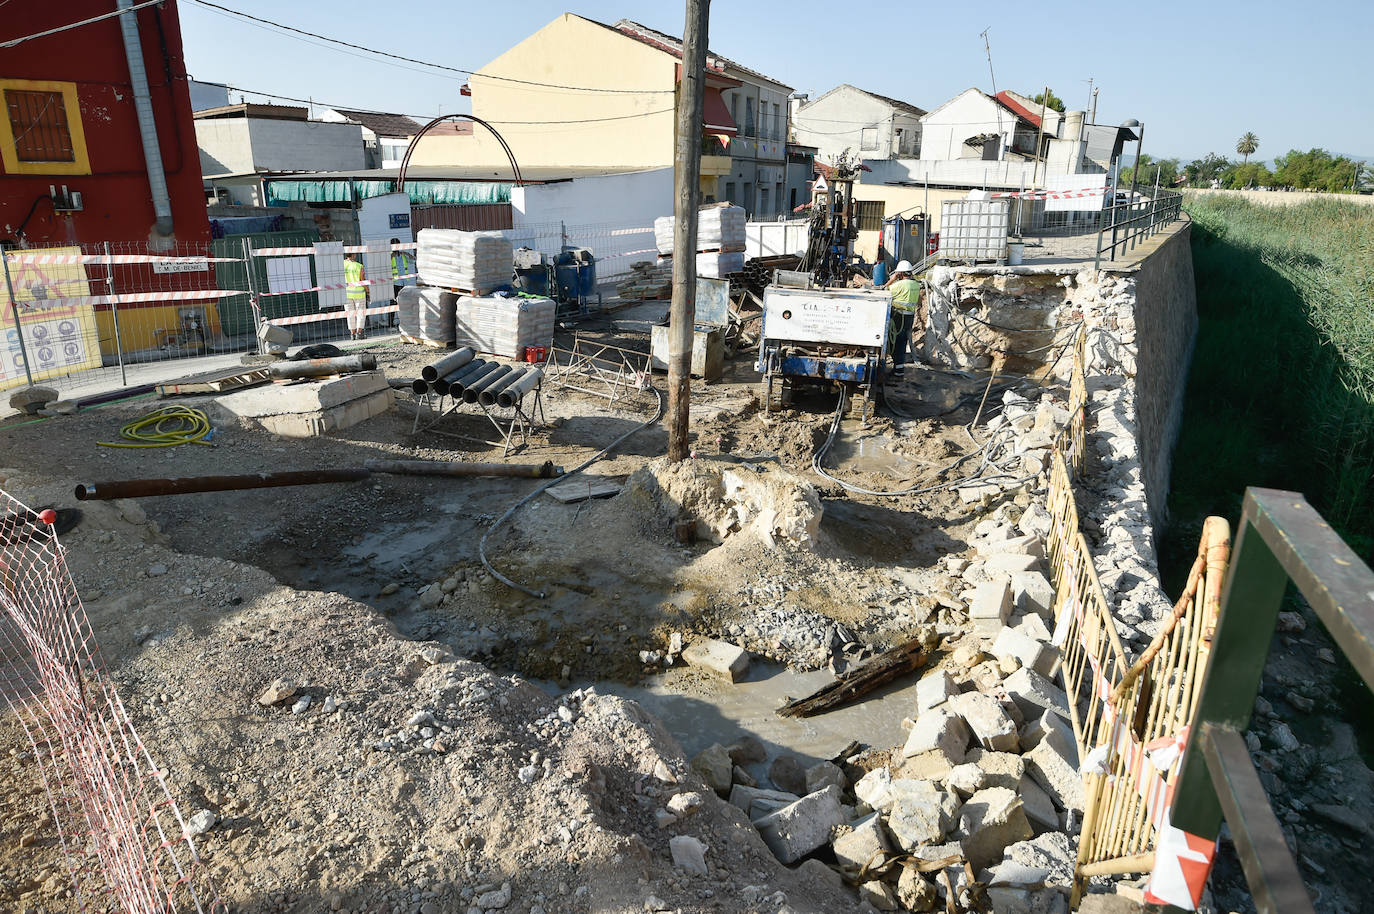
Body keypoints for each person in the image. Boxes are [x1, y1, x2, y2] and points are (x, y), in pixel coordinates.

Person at [881, 259, 921, 377]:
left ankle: (897, 371)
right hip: (909, 317)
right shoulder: (916, 284)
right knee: (903, 342)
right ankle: (899, 369)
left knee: (896, 343)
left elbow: (882, 291)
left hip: (899, 317)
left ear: (900, 273)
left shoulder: (898, 285)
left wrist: (892, 280)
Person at [343, 251, 368, 340]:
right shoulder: (359, 266)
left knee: (350, 314)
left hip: (346, 293)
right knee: (361, 313)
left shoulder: (342, 264)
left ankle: (352, 334)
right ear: (353, 255)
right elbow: (363, 279)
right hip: (359, 293)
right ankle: (359, 333)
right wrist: (368, 291)